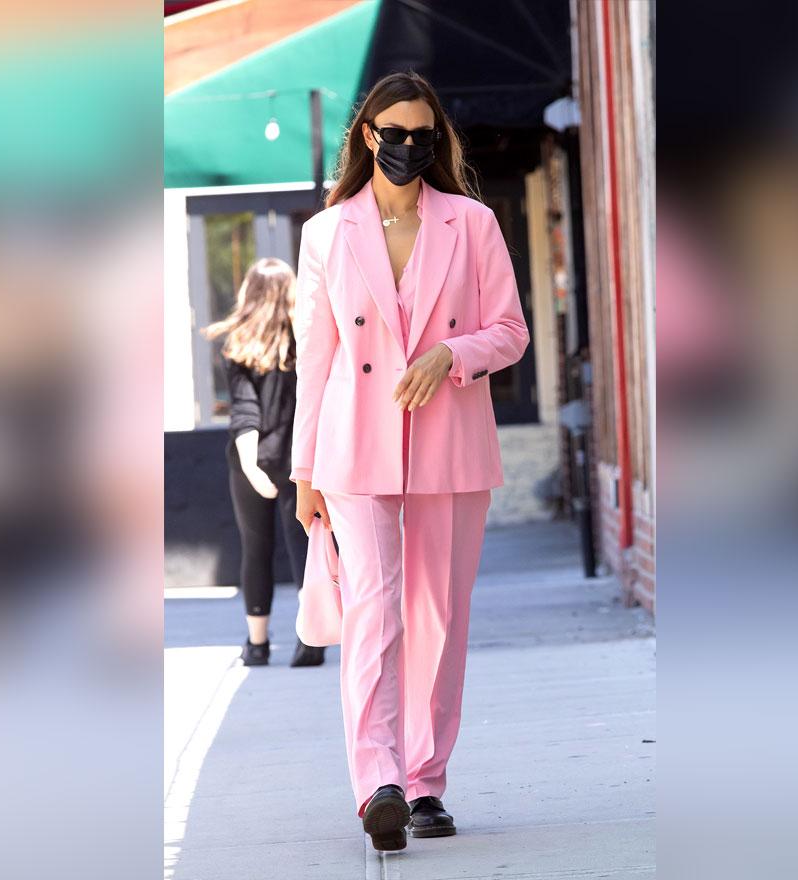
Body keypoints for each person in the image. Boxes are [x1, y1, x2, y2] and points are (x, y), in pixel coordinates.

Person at [289, 72, 530, 851]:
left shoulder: (473, 222)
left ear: (437, 138)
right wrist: (302, 474)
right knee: (372, 612)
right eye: (394, 134)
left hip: (449, 445)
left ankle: (425, 782)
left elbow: (511, 330)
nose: (407, 148)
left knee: (437, 619)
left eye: (422, 135)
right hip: (353, 448)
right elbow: (315, 360)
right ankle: (377, 781)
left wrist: (451, 354)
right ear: (368, 137)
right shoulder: (327, 233)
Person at [203, 258, 325, 668]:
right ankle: (311, 640)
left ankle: (257, 645)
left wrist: (253, 466)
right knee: (305, 548)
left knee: (255, 549)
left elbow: (245, 410)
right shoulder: (309, 339)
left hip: (251, 460)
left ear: (249, 294)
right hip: (302, 460)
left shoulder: (238, 343)